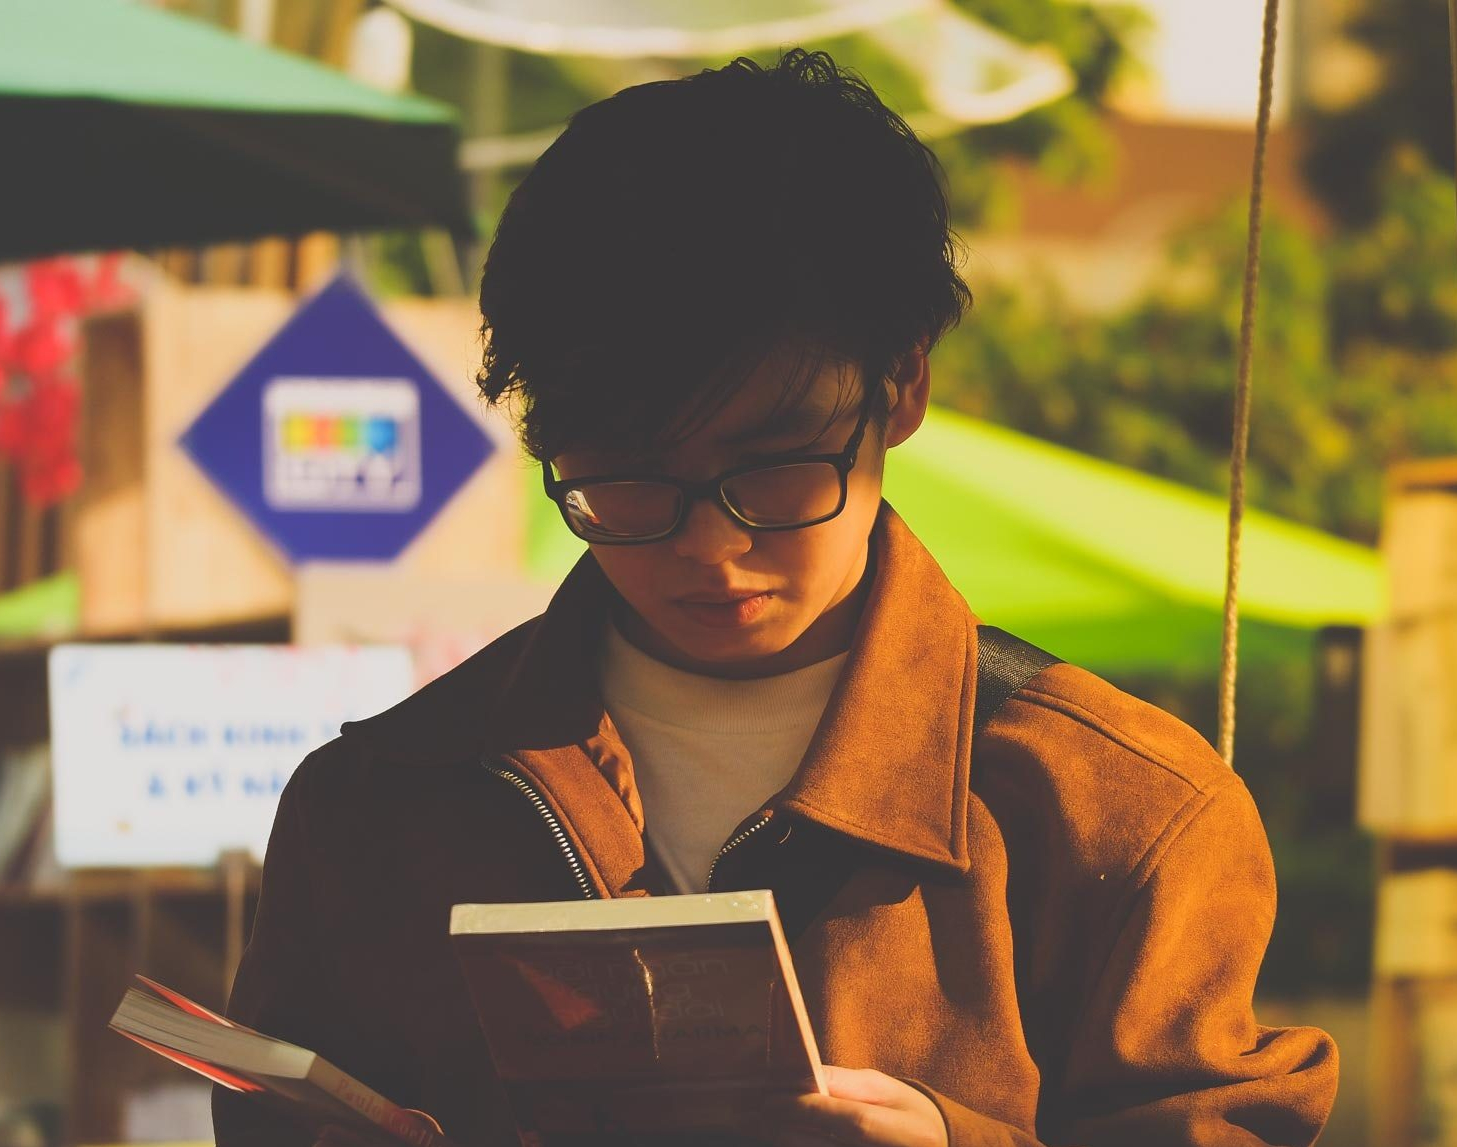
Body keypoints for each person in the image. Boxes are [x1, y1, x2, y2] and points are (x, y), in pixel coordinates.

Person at [215, 49, 1337, 1147]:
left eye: (773, 467)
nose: (712, 546)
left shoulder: (1115, 812)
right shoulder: (374, 805)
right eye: (627, 479)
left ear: (900, 387)